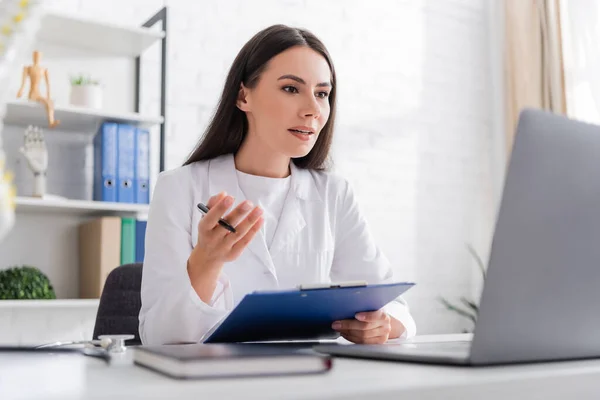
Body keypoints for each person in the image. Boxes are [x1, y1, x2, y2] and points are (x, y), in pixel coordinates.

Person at [139, 24, 416, 345]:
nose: (312, 109)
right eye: (290, 89)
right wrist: (206, 260)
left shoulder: (333, 193)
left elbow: (395, 306)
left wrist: (383, 325)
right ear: (244, 96)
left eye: (322, 94)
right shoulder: (180, 187)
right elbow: (158, 337)